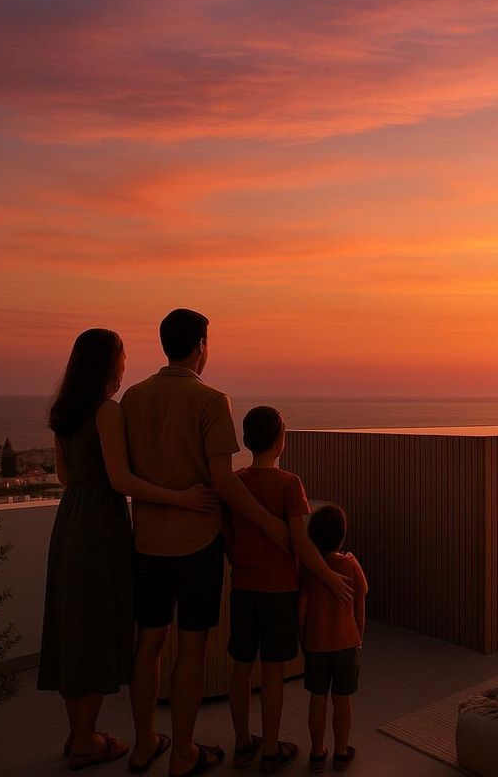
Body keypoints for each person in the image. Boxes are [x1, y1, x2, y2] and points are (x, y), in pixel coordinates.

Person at [121, 309, 294, 777]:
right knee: (192, 646)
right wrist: (267, 523)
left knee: (149, 643)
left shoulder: (132, 399)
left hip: (148, 540)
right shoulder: (211, 400)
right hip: (197, 542)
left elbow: (126, 473)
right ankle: (182, 753)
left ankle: (142, 746)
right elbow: (223, 481)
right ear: (200, 345)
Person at [38, 328, 217, 770]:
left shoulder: (63, 414)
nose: (123, 366)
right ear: (106, 364)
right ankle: (85, 740)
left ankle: (81, 732)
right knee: (95, 626)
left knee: (73, 624)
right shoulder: (107, 412)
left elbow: (64, 478)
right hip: (101, 523)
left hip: (71, 518)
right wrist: (183, 497)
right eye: (121, 357)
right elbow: (121, 480)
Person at [225, 406, 353, 773]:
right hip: (278, 590)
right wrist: (330, 578)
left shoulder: (236, 483)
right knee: (272, 672)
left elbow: (228, 537)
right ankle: (269, 748)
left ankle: (242, 744)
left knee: (240, 666)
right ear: (281, 440)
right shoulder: (288, 483)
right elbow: (301, 542)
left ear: (246, 440)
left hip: (243, 587)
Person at [300, 505, 368, 774]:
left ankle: (317, 754)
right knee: (343, 699)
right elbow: (360, 603)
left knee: (317, 699)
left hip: (315, 644)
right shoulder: (350, 564)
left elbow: (302, 607)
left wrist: (302, 637)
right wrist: (358, 635)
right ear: (342, 536)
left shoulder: (310, 567)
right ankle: (341, 753)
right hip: (345, 644)